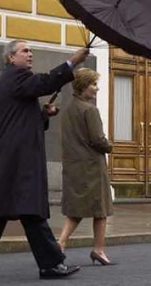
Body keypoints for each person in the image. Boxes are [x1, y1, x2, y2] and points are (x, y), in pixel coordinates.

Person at [0, 39, 89, 281]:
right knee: (31, 212)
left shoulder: (14, 81)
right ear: (11, 58)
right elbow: (45, 82)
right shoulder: (16, 76)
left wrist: (43, 114)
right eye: (25, 51)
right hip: (16, 161)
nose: (30, 54)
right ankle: (51, 265)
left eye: (31, 51)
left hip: (9, 158)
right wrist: (73, 61)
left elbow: (20, 121)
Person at [58, 68, 114, 265]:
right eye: (93, 84)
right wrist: (110, 146)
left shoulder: (68, 109)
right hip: (91, 166)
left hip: (73, 165)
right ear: (83, 86)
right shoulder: (90, 110)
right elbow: (98, 140)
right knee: (101, 210)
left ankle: (61, 243)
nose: (96, 89)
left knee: (76, 210)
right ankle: (99, 250)